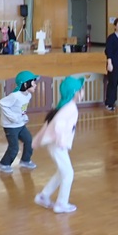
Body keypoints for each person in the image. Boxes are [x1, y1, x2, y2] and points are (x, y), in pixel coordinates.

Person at [33, 76, 86, 213]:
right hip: (57, 144)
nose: (83, 92)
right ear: (75, 93)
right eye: (81, 89)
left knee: (62, 172)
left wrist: (37, 139)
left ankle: (43, 196)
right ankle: (61, 204)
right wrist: (61, 140)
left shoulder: (64, 107)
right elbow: (58, 125)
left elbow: (49, 123)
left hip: (54, 144)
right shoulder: (70, 108)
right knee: (68, 174)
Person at [0, 71, 39, 173]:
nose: (35, 85)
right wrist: (13, 117)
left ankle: (25, 160)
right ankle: (4, 164)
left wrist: (23, 116)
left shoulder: (28, 95)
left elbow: (21, 108)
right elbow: (2, 103)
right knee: (14, 147)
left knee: (29, 141)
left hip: (20, 124)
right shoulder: (15, 96)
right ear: (25, 84)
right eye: (33, 82)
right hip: (10, 126)